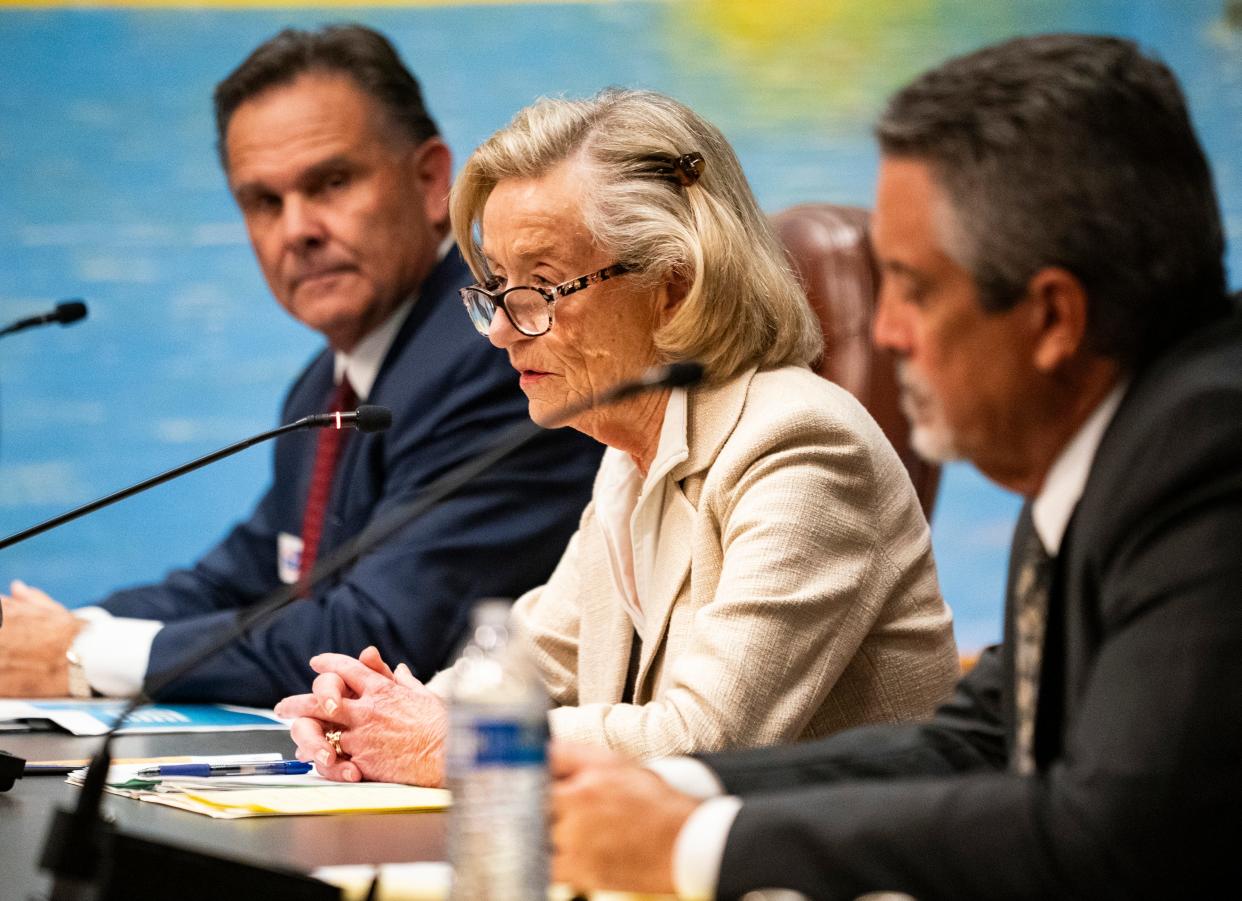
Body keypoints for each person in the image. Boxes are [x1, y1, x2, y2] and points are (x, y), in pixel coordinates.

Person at [547, 33, 1242, 899]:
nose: (883, 333)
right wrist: (675, 791)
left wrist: (700, 846)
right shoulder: (1103, 453)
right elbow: (978, 741)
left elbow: (1109, 837)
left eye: (913, 287)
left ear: (1054, 317)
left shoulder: (1206, 453)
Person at [273, 88, 960, 785]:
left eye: (541, 286)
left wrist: (448, 738)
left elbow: (705, 738)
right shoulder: (631, 459)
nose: (505, 330)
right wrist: (370, 715)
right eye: (498, 286)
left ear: (674, 285)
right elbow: (531, 662)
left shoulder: (801, 446)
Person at [0, 24, 603, 706]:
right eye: (264, 202)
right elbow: (239, 579)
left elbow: (372, 635)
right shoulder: (326, 384)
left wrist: (79, 654)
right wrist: (44, 635)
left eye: (332, 182)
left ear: (433, 180)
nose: (298, 229)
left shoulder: (498, 357)